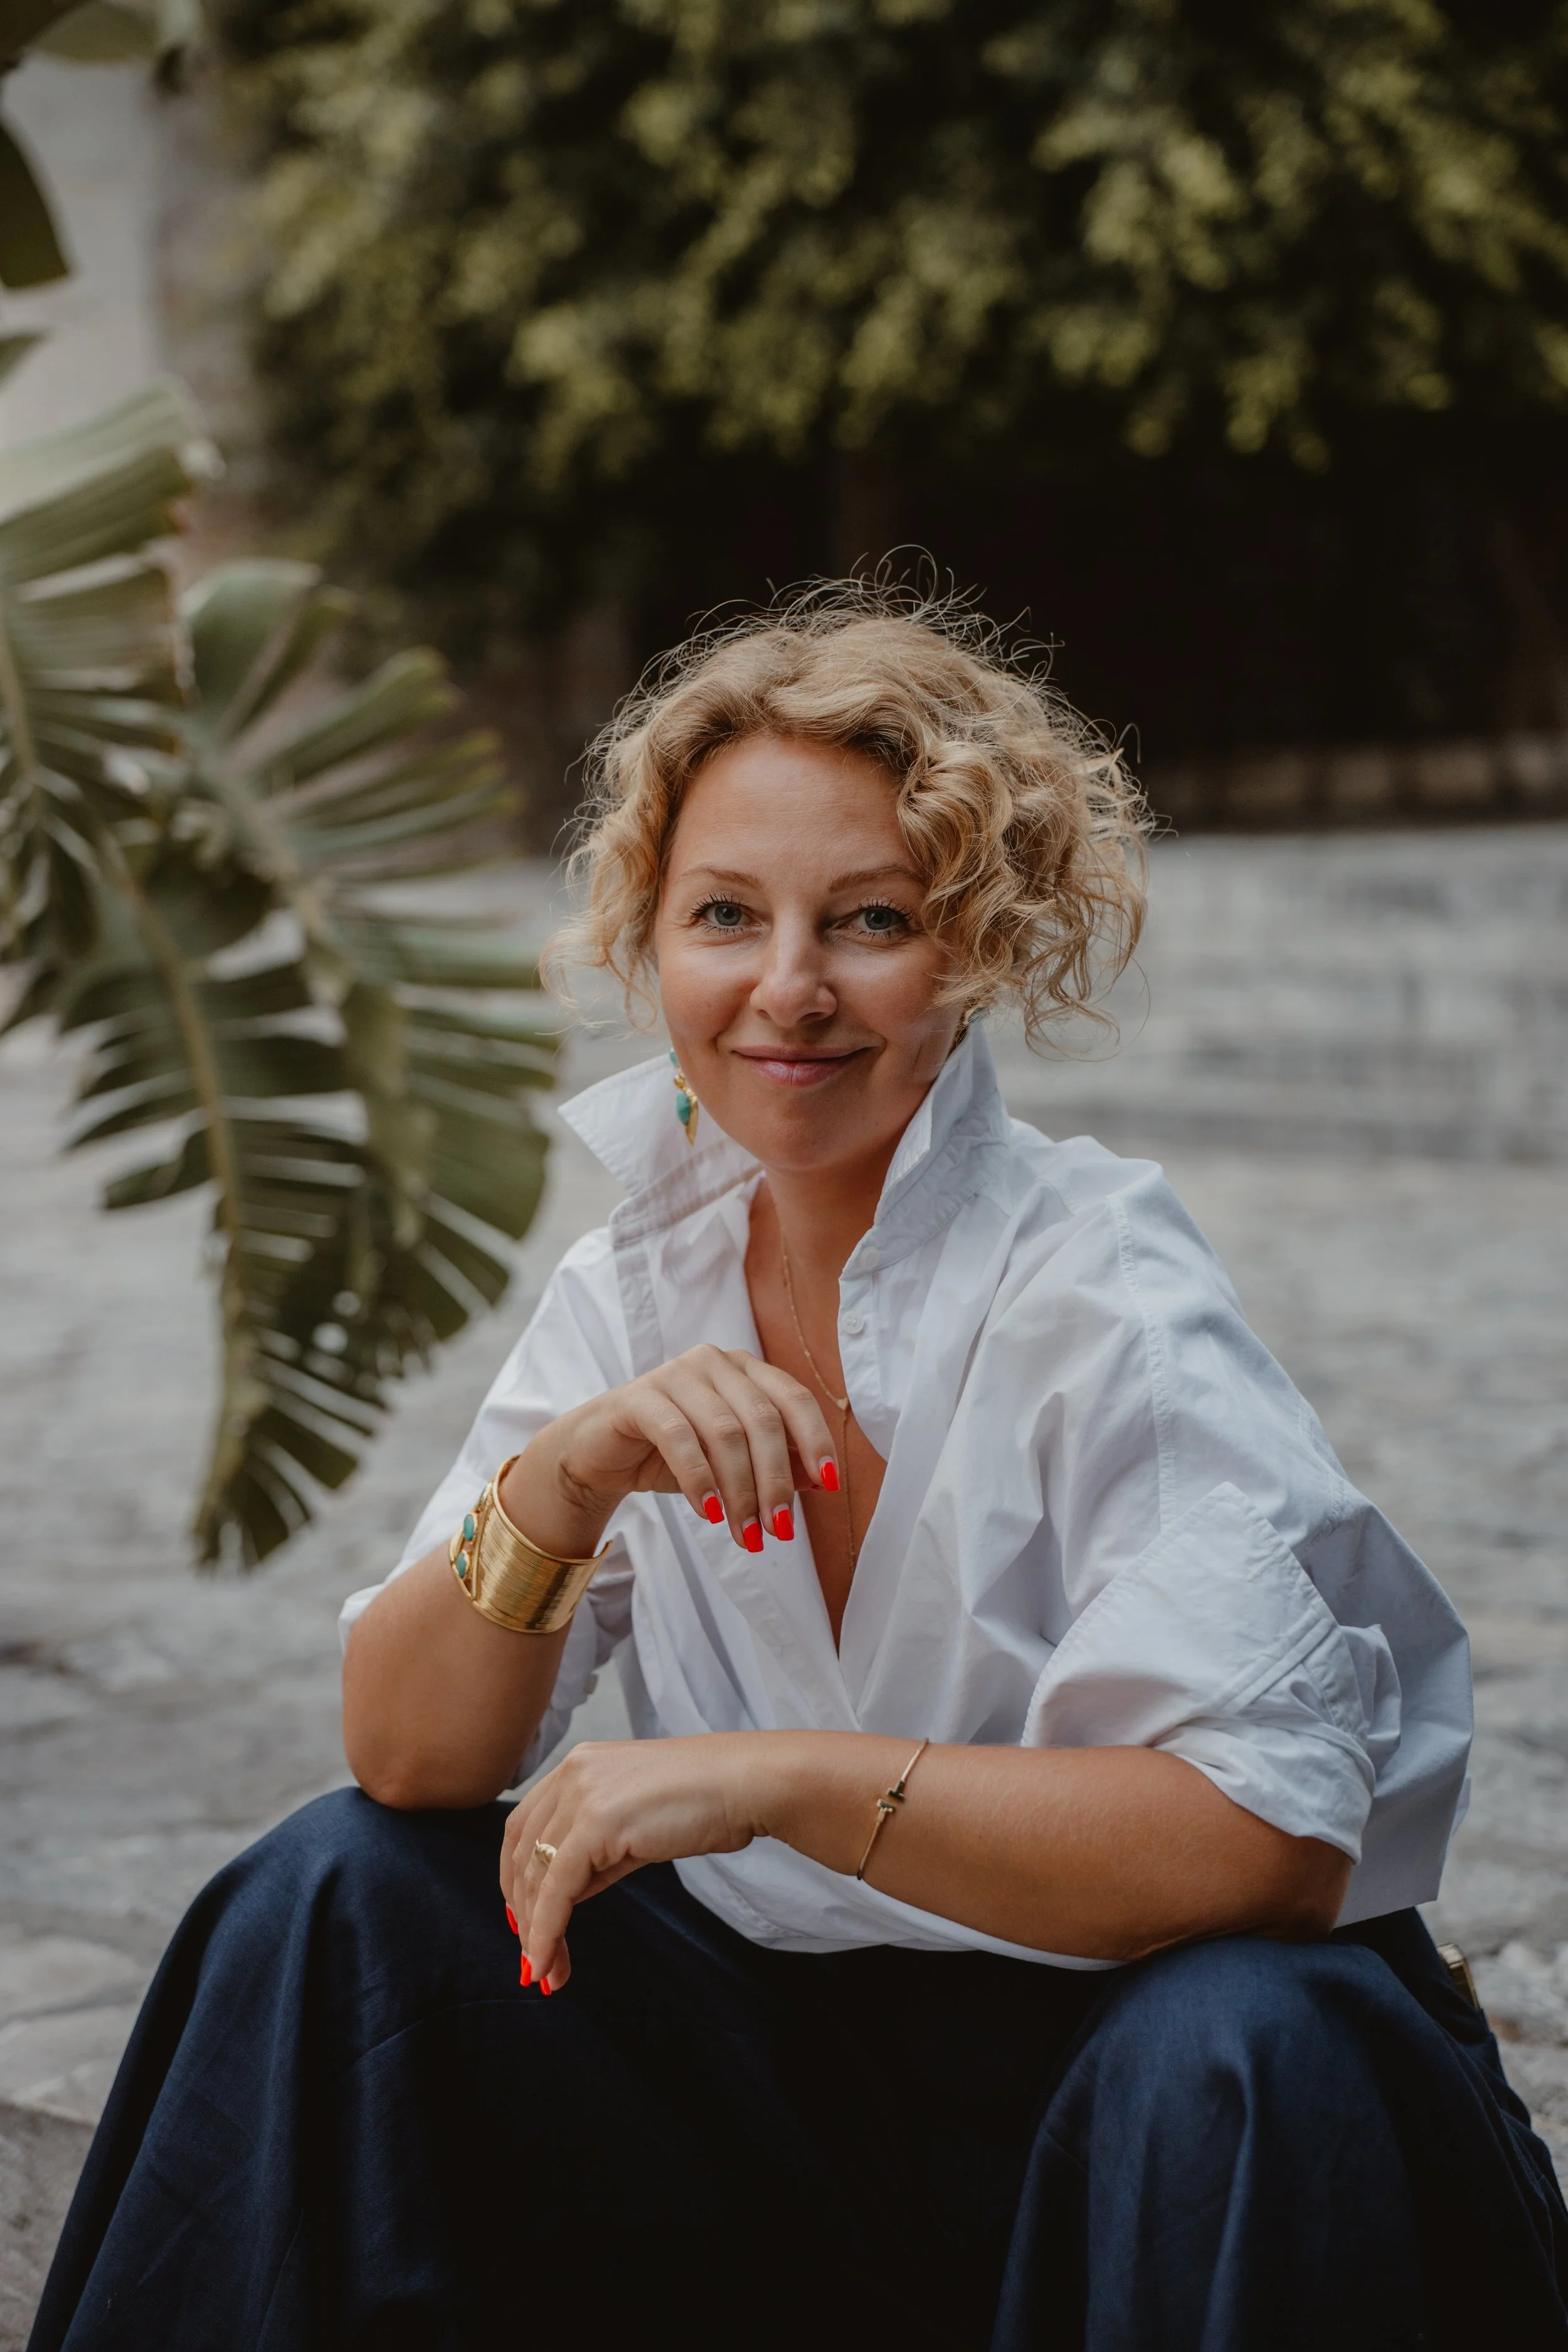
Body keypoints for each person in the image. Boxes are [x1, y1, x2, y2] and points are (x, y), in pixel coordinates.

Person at [31, 586, 1568, 2352]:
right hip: (789, 2106)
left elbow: (1267, 1839)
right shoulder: (631, 1288)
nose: (786, 987)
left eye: (868, 920)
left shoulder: (1098, 1287)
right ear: (649, 939)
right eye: (723, 916)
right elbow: (405, 1748)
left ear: (975, 945)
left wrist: (773, 1776)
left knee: (1242, 2034)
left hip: (1153, 2118)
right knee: (337, 1891)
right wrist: (562, 1484)